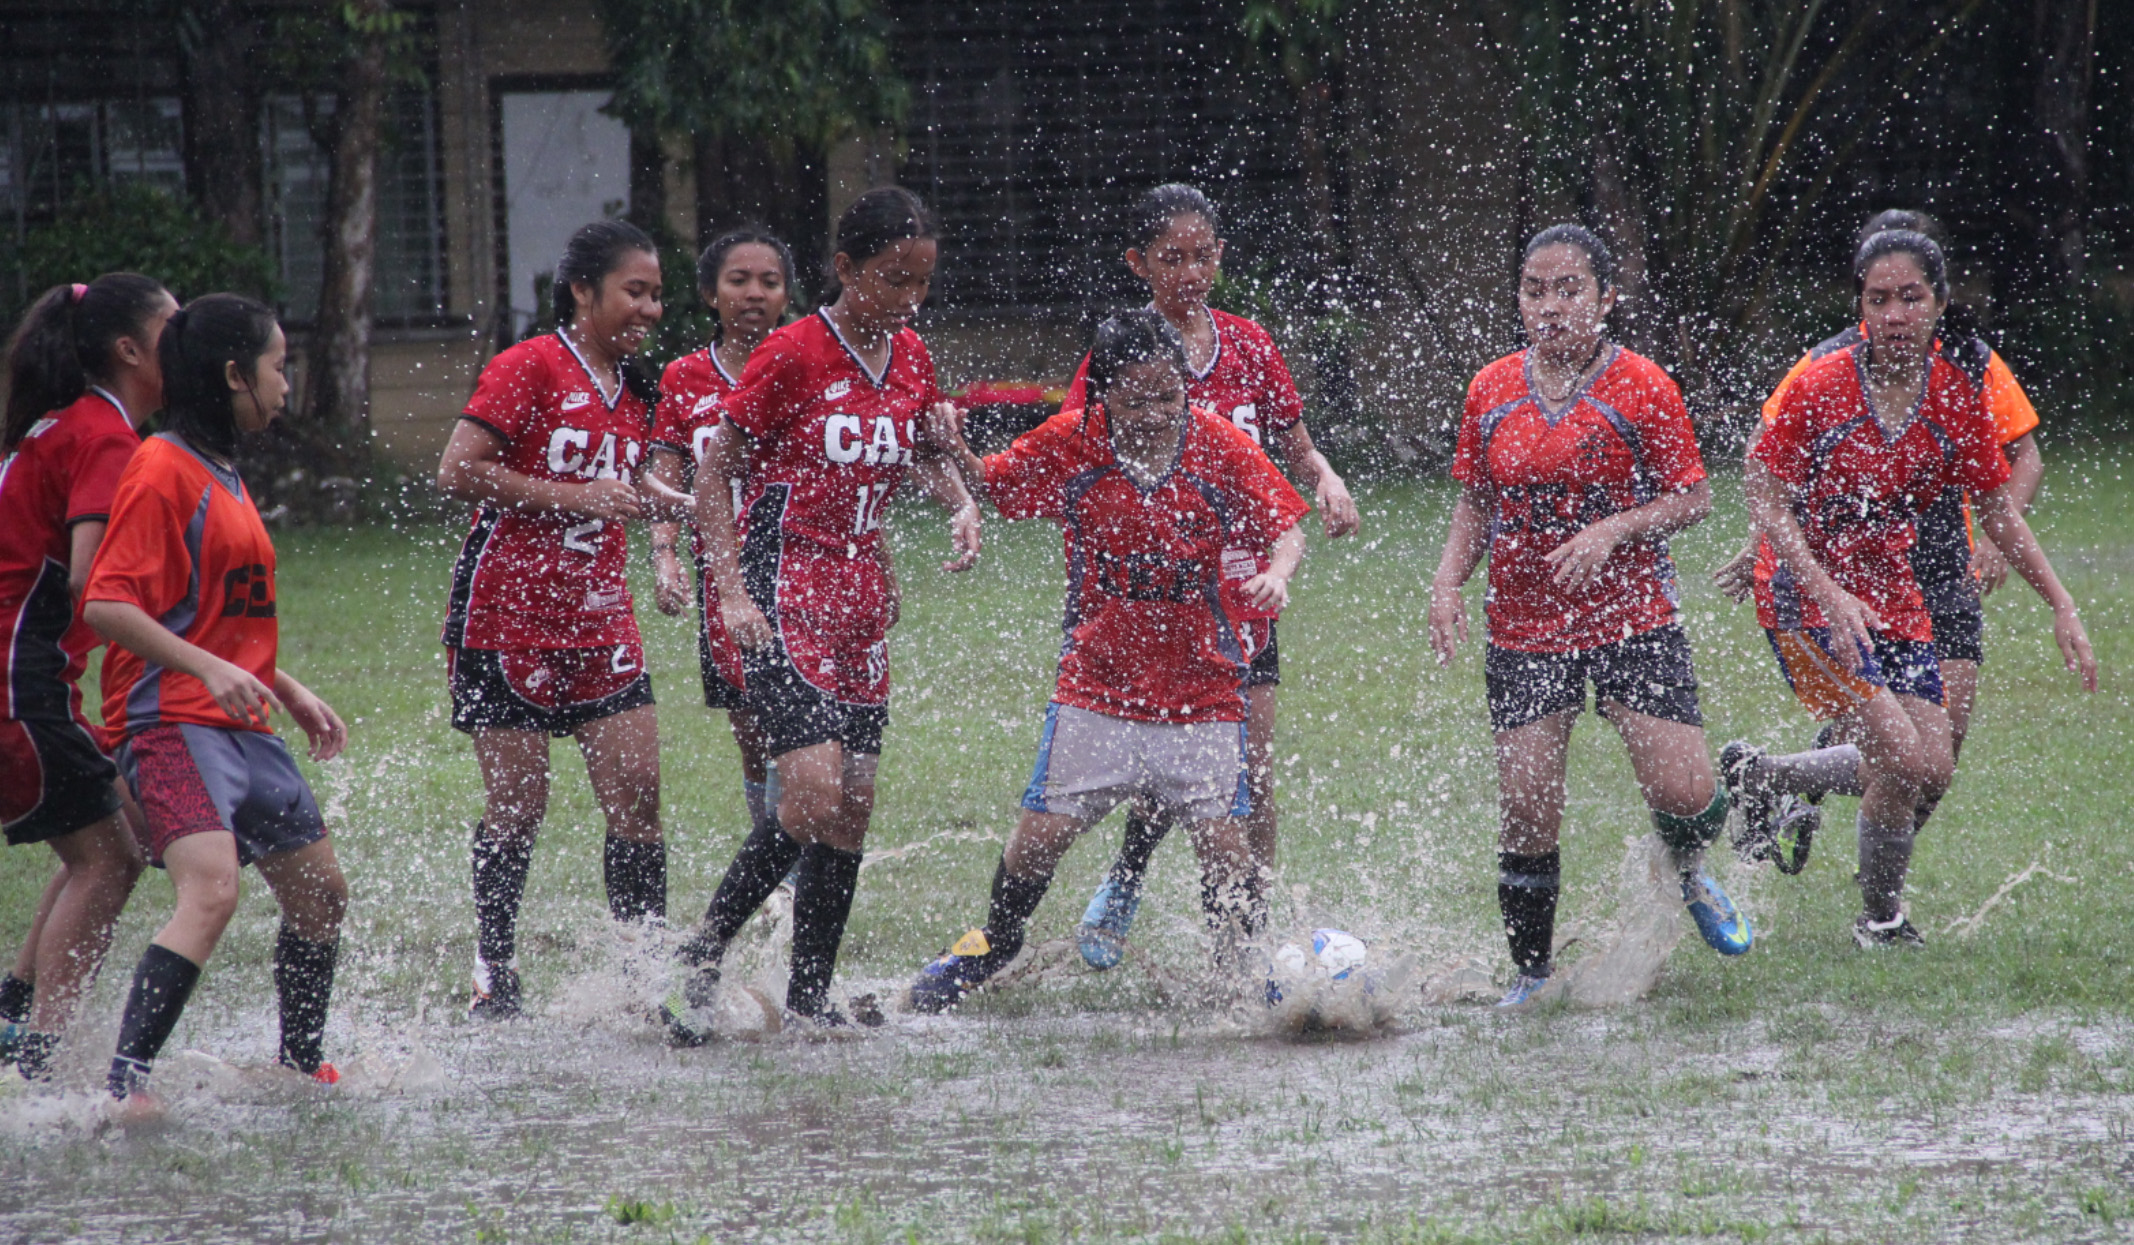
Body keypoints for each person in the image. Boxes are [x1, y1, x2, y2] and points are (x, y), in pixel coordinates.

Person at [907, 309, 1309, 1012]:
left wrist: (1277, 572)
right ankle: (991, 943)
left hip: (1203, 693)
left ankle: (1242, 976)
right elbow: (996, 485)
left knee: (1225, 846)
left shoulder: (1220, 446)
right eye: (1133, 397)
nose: (1152, 413)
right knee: (1038, 842)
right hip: (1097, 686)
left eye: (1167, 396)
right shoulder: (1072, 442)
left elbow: (1286, 525)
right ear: (1101, 392)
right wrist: (954, 449)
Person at [665, 187, 980, 1034]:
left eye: (921, 282)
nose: (908, 300)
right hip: (781, 587)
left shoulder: (910, 356)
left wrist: (959, 495)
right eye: (891, 279)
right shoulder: (795, 353)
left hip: (858, 600)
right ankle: (698, 955)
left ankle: (808, 1000)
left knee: (852, 806)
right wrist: (728, 590)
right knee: (805, 798)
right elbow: (711, 471)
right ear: (844, 269)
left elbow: (916, 449)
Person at [1738, 228, 2094, 947]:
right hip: (1807, 603)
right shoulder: (1819, 382)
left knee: (1931, 764)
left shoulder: (1958, 394)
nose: (1895, 314)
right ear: (1859, 307)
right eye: (1879, 299)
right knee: (1902, 757)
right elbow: (1765, 490)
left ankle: (1769, 778)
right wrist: (1827, 591)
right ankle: (1882, 921)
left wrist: (2062, 603)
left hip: (1896, 601)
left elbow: (1997, 509)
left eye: (1911, 297)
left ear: (1939, 303)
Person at [1427, 225, 1752, 1009]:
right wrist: (1446, 583)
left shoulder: (1644, 386)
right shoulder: (1491, 389)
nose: (1550, 306)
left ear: (1606, 299)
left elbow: (1695, 497)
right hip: (1525, 627)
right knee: (1527, 804)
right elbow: (1477, 499)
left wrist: (1612, 530)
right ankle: (1532, 972)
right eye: (1535, 290)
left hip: (1634, 619)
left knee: (1684, 792)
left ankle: (1690, 866)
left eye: (1569, 289)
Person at [1058, 185, 1361, 970]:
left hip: (1240, 598)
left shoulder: (1250, 346)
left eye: (1203, 255)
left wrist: (1325, 480)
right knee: (1166, 760)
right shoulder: (1120, 352)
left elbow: (1294, 447)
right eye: (1171, 257)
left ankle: (1242, 944)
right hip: (1149, 600)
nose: (1189, 271)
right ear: (1139, 264)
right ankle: (1125, 875)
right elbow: (1075, 458)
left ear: (1221, 257)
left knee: (1246, 773)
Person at [83, 294, 350, 1104]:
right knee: (213, 889)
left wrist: (287, 687)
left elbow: (214, 615)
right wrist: (207, 669)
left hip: (242, 724)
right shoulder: (162, 465)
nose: (285, 382)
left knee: (321, 896)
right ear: (235, 374)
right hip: (170, 723)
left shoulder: (224, 472)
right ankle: (124, 1086)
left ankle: (299, 1068)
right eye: (279, 366)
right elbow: (105, 603)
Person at [436, 219, 671, 1018]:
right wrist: (575, 496)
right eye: (635, 292)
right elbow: (457, 469)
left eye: (657, 295)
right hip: (505, 618)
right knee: (519, 805)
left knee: (639, 794)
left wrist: (668, 516)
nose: (649, 310)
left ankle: (645, 972)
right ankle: (494, 967)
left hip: (602, 618)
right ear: (583, 291)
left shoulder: (643, 387)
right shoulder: (529, 365)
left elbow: (637, 484)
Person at [0, 274, 173, 1080]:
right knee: (112, 855)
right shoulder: (105, 435)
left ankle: (15, 1016)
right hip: (19, 685)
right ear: (129, 350)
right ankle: (41, 1056)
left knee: (102, 840)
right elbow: (93, 581)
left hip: (28, 680)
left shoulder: (65, 422)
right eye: (175, 327)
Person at [641, 228, 795, 866]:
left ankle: (800, 856)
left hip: (802, 565)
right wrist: (664, 551)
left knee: (802, 724)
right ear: (710, 293)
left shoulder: (805, 360)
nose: (754, 294)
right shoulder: (685, 377)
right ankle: (772, 857)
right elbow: (665, 471)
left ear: (787, 294)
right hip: (723, 574)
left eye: (770, 281)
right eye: (739, 281)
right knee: (753, 730)